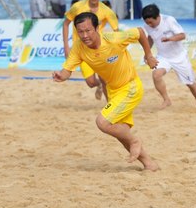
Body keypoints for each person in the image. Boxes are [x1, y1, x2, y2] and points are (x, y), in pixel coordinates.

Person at [53, 12, 159, 172]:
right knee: (120, 132)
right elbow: (67, 70)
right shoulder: (79, 47)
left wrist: (148, 55)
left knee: (102, 122)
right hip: (114, 91)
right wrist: (61, 75)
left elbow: (140, 32)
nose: (84, 35)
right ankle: (150, 164)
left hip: (130, 87)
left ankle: (136, 141)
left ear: (96, 28)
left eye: (88, 30)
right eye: (80, 31)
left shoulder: (113, 39)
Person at [63, 0, 119, 101]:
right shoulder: (77, 7)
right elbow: (66, 23)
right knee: (91, 82)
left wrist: (115, 49)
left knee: (105, 79)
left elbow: (116, 32)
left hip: (100, 49)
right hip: (82, 50)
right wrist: (66, 47)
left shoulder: (107, 11)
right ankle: (97, 85)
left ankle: (110, 106)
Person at [141, 4, 196, 109]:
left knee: (190, 83)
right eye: (147, 23)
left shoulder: (169, 20)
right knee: (156, 75)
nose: (149, 25)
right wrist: (147, 53)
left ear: (158, 17)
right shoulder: (147, 25)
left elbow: (182, 35)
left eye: (151, 22)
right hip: (163, 57)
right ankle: (166, 100)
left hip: (179, 57)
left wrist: (170, 39)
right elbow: (150, 38)